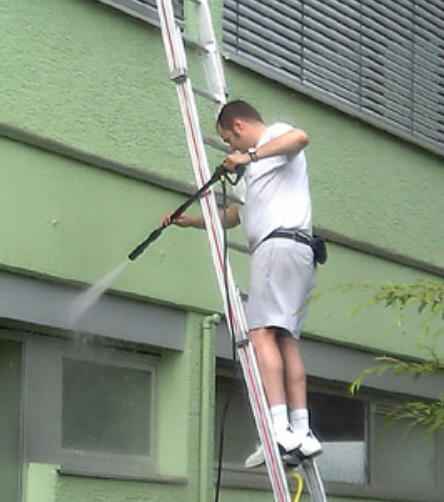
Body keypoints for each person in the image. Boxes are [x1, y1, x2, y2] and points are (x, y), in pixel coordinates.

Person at [162, 100, 322, 467]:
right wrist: (190, 222)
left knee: (261, 334)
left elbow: (300, 137)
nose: (231, 148)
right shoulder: (261, 169)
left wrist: (247, 156)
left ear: (238, 125)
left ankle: (278, 430)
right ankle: (302, 430)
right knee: (286, 339)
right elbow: (234, 216)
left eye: (229, 140)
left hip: (276, 247)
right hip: (299, 251)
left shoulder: (275, 136)